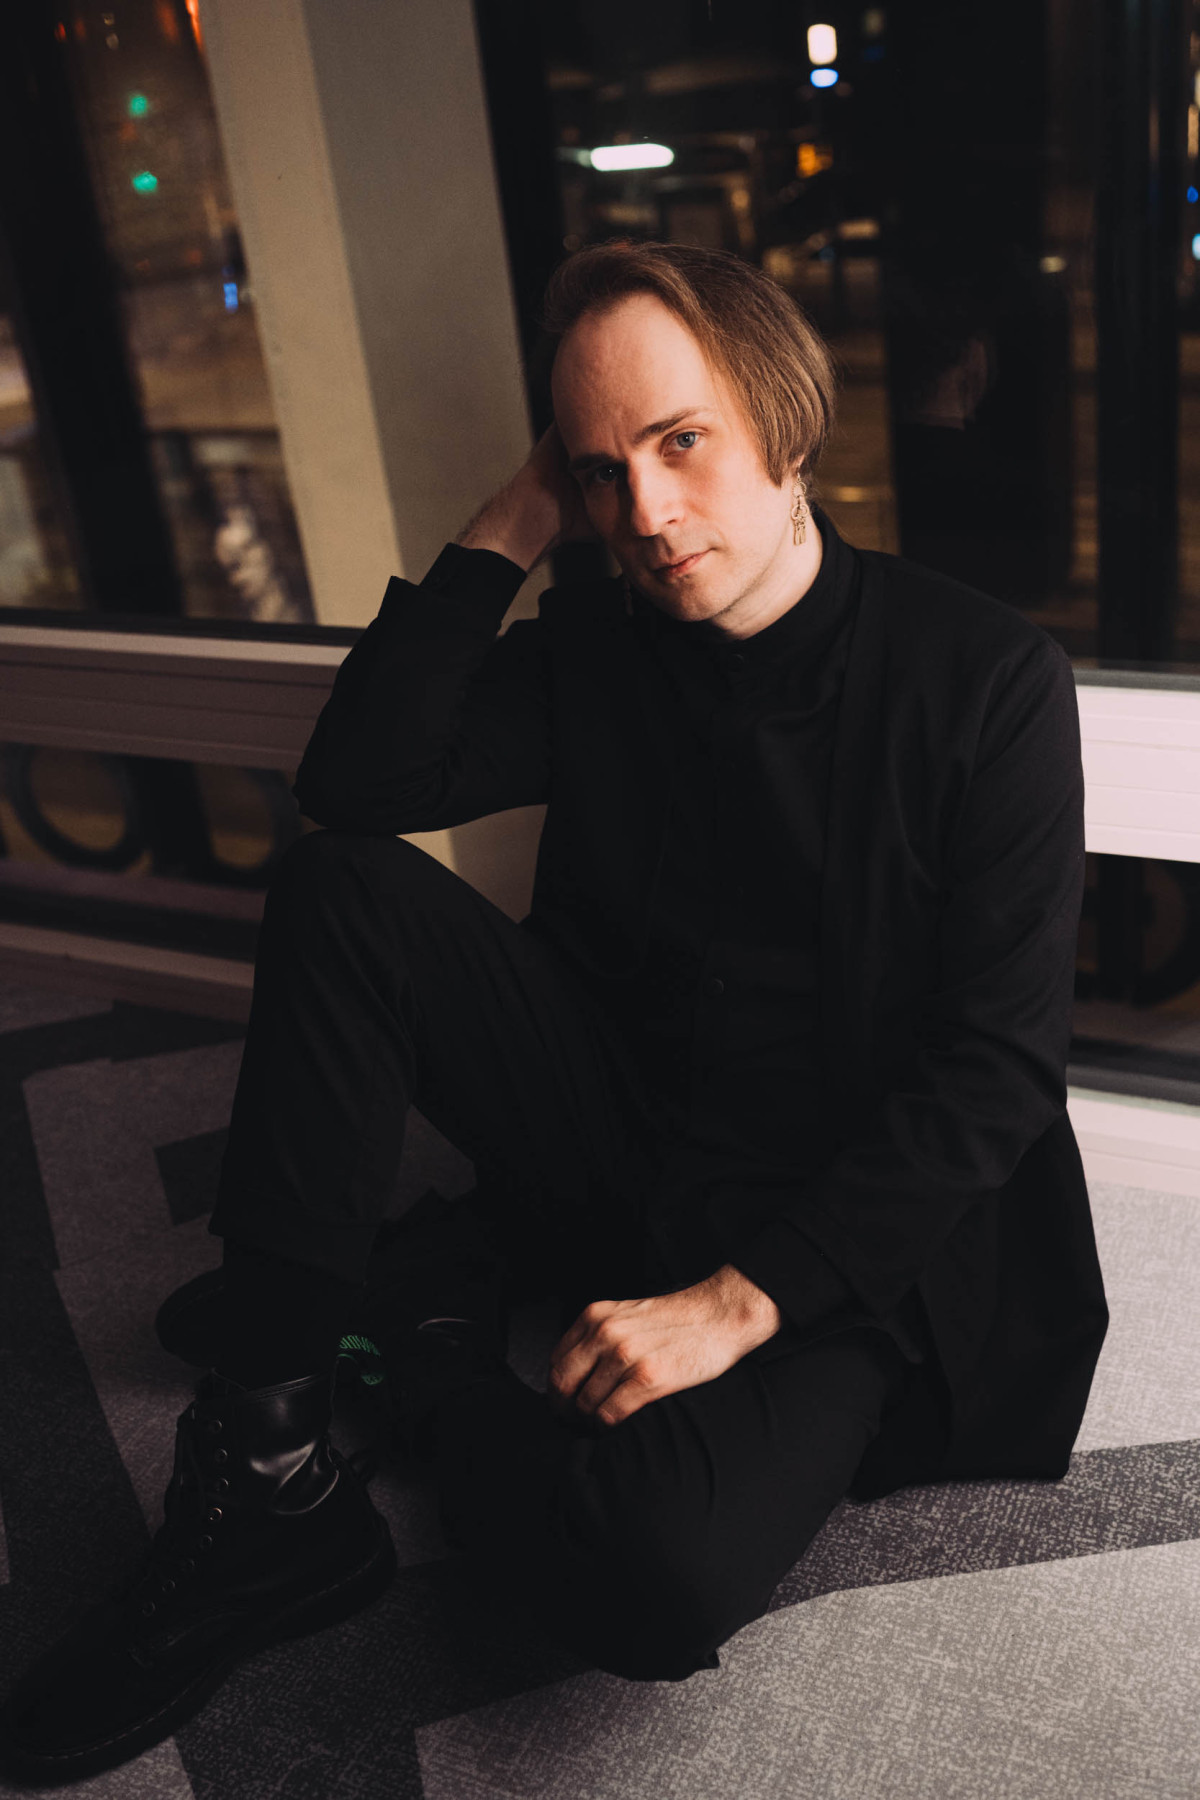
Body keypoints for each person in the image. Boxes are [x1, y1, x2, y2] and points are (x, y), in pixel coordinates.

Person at [0, 240, 1108, 1786]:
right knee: (342, 888)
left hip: (827, 1228)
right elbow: (360, 783)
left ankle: (425, 1350)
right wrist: (521, 513)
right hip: (613, 1133)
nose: (644, 513)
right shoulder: (605, 644)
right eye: (601, 471)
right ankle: (275, 1463)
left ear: (786, 419)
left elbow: (996, 1072)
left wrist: (734, 1304)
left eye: (681, 441)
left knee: (658, 1576)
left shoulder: (985, 681)